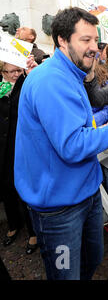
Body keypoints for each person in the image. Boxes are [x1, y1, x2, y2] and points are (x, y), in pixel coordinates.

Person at [14, 7, 108, 280]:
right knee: (67, 275)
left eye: (94, 40)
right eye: (85, 40)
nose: (94, 48)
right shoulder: (51, 80)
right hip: (59, 210)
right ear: (62, 40)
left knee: (91, 262)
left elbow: (82, 126)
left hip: (85, 195)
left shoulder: (72, 74)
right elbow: (74, 145)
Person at [1, 57, 38, 255]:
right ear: (2, 72)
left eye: (18, 70)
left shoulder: (27, 82)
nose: (15, 74)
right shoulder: (0, 85)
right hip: (2, 145)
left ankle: (33, 231)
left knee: (23, 186)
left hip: (21, 143)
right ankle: (13, 225)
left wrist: (31, 73)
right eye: (10, 72)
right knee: (6, 187)